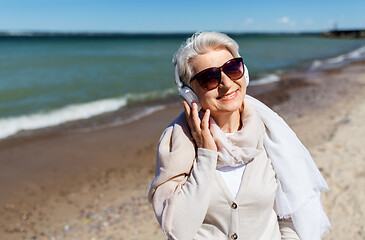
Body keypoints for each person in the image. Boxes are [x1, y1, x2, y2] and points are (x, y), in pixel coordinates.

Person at [148, 31, 330, 240]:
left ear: (245, 73)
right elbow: (178, 229)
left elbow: (289, 215)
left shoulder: (269, 134)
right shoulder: (177, 141)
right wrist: (206, 154)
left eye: (232, 69)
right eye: (209, 78)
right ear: (189, 93)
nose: (226, 83)